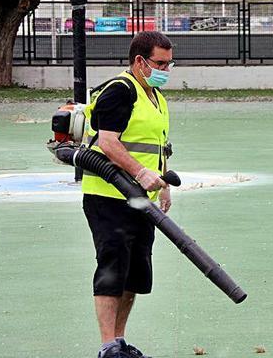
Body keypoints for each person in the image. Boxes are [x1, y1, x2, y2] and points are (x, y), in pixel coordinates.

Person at [81, 31, 174, 358]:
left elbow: (155, 147)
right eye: (160, 63)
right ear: (139, 61)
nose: (166, 69)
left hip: (141, 199)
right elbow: (108, 143)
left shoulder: (155, 95)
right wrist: (139, 173)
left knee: (135, 272)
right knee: (113, 266)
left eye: (169, 63)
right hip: (108, 195)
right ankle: (108, 347)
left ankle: (119, 342)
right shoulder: (120, 91)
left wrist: (161, 185)